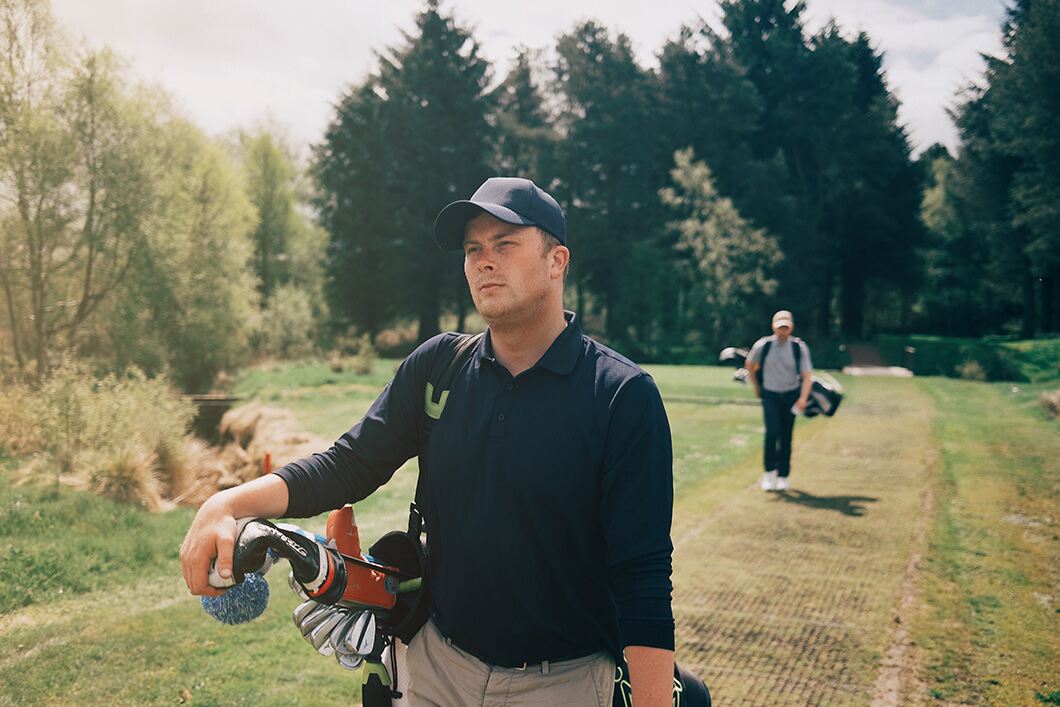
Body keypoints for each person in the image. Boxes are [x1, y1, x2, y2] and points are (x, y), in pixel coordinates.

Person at [179, 177, 677, 706]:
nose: (484, 261)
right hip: (433, 671)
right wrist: (228, 502)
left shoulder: (622, 397)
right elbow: (348, 465)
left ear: (557, 261)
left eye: (504, 244)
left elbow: (642, 578)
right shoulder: (439, 367)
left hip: (565, 685)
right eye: (472, 249)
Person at [745, 310, 813, 492]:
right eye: (780, 327)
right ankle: (769, 473)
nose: (783, 331)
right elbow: (750, 364)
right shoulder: (763, 345)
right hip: (770, 394)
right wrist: (756, 386)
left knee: (786, 436)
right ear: (774, 327)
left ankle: (783, 476)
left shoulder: (799, 348)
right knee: (772, 432)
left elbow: (807, 376)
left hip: (791, 395)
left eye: (786, 328)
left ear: (791, 328)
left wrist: (803, 399)